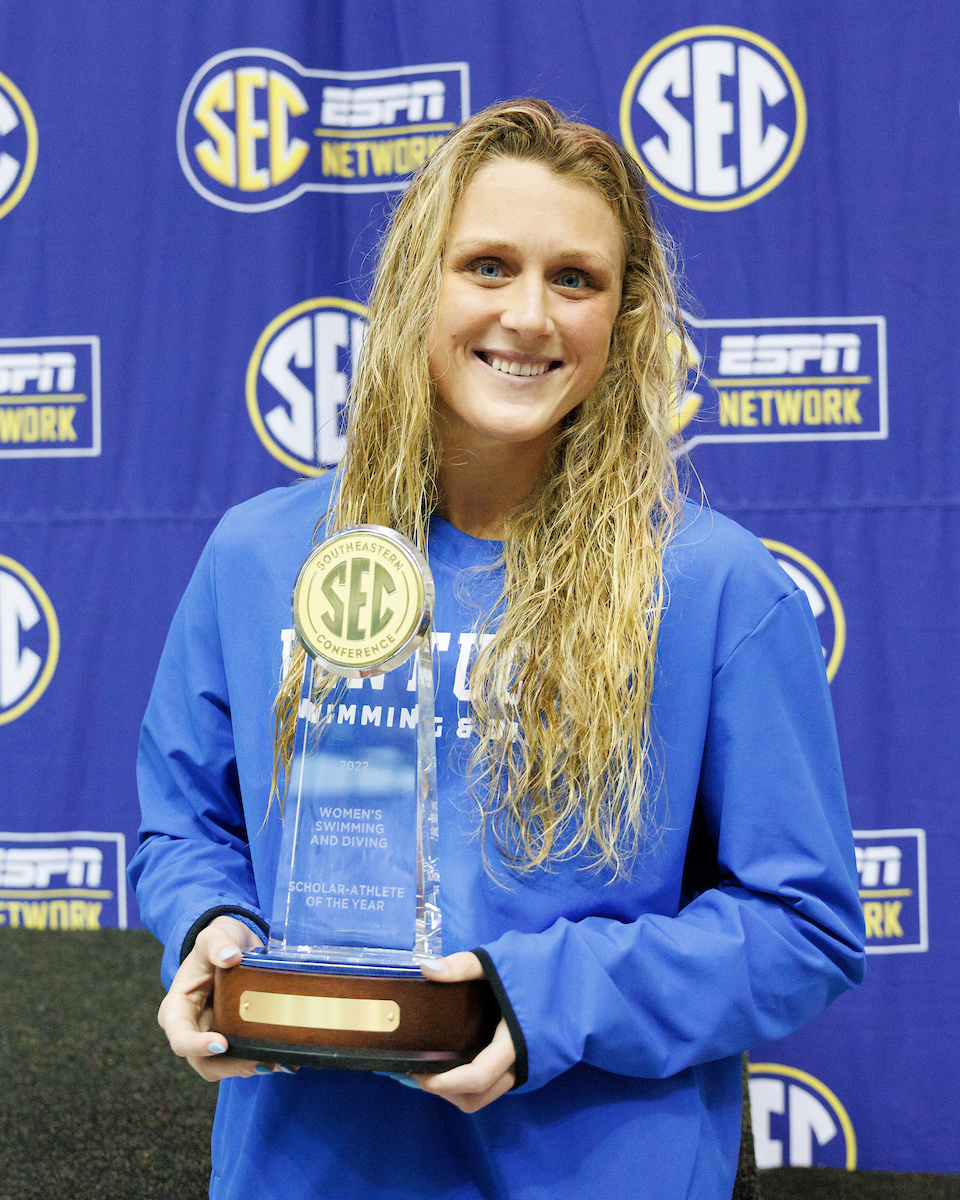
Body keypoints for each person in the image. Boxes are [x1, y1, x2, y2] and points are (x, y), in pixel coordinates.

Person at [130, 99, 865, 1199]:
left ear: (627, 317)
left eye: (577, 279)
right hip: (306, 1162)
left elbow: (803, 926)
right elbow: (184, 827)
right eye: (486, 265)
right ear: (415, 285)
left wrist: (534, 999)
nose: (529, 314)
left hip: (601, 1169)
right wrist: (217, 937)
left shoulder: (714, 586)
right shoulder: (260, 556)